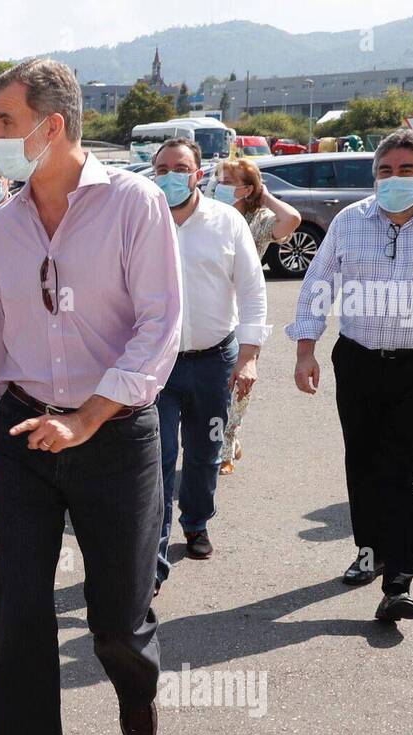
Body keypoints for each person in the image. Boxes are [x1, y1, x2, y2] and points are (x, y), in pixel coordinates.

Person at [0, 58, 182, 735]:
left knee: (115, 621)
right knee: (22, 619)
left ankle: (136, 681)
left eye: (1, 121)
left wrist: (92, 416)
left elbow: (159, 324)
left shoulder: (134, 205)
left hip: (116, 433)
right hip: (27, 433)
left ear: (50, 125)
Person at [289, 129, 413, 624]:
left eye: (406, 170)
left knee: (405, 468)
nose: (394, 179)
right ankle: (371, 550)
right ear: (373, 176)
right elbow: (319, 282)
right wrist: (305, 350)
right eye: (385, 171)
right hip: (359, 361)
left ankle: (399, 580)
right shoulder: (350, 221)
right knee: (362, 462)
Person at [151, 139, 268, 590]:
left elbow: (254, 291)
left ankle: (196, 521)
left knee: (204, 453)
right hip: (156, 366)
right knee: (157, 459)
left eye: (180, 167)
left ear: (198, 173)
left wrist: (249, 356)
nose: (170, 175)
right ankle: (154, 557)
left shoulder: (226, 223)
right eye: (162, 167)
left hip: (214, 360)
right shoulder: (144, 221)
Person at [213, 157, 301, 474]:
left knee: (240, 384)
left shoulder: (259, 220)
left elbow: (291, 219)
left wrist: (263, 196)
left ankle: (226, 445)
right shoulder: (207, 213)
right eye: (217, 179)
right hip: (209, 308)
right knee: (213, 385)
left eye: (226, 181)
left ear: (246, 188)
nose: (217, 186)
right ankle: (220, 440)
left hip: (244, 308)